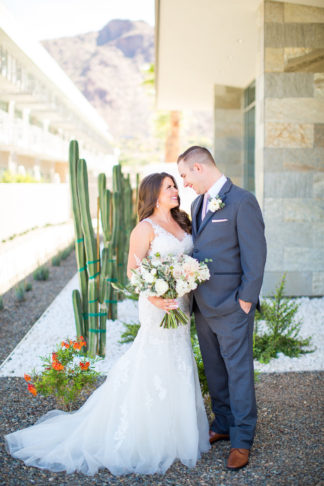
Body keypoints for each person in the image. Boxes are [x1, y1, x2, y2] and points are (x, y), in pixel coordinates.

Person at [5, 172, 210, 476]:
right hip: (157, 305)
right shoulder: (144, 228)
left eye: (175, 186)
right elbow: (132, 271)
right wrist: (156, 298)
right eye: (169, 187)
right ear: (153, 194)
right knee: (155, 358)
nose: (175, 191)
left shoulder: (182, 222)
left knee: (179, 357)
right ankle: (147, 434)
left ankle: (176, 430)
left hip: (181, 303)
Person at [177, 146, 267, 471]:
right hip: (203, 306)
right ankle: (224, 423)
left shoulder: (243, 201)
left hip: (232, 306)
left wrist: (245, 301)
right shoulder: (198, 202)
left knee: (238, 373)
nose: (184, 183)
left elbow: (255, 257)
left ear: (199, 168)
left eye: (185, 175)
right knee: (215, 371)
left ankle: (242, 439)